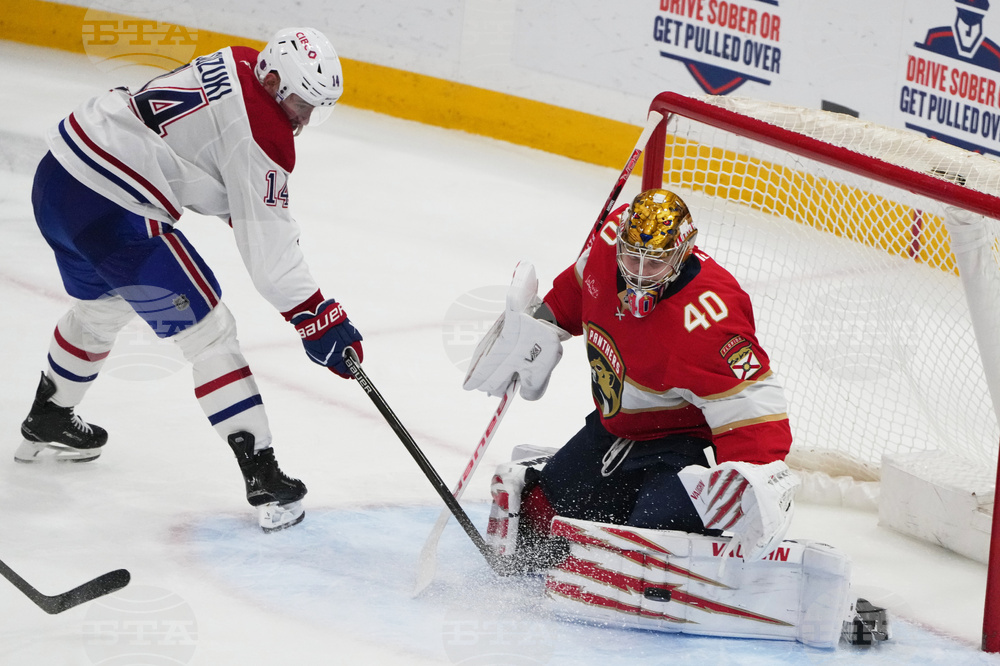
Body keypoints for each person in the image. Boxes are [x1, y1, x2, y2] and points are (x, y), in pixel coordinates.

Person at [16, 27, 363, 532]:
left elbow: (202, 155)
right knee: (210, 334)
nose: (304, 119)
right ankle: (264, 477)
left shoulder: (240, 60)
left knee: (102, 308)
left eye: (315, 109)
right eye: (301, 104)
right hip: (116, 211)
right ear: (272, 81)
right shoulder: (264, 129)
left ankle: (49, 416)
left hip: (58, 180)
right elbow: (270, 259)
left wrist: (247, 208)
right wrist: (316, 316)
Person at [463, 188, 796, 570]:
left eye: (654, 262)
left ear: (683, 252)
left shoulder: (708, 318)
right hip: (617, 429)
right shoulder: (608, 245)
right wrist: (543, 323)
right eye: (631, 256)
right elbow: (580, 287)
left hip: (685, 447)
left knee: (649, 541)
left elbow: (752, 405)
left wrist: (754, 479)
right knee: (539, 517)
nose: (637, 272)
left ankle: (647, 537)